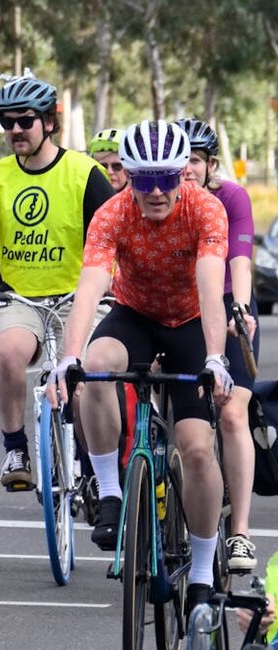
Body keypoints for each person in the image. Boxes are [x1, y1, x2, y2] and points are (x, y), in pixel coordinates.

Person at [46, 118, 233, 611]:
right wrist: (68, 359)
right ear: (127, 174)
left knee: (196, 449)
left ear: (183, 176)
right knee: (96, 364)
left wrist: (215, 356)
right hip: (135, 316)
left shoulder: (205, 210)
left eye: (167, 178)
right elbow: (89, 289)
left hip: (191, 324)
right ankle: (110, 492)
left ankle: (199, 569)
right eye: (143, 178)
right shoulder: (111, 214)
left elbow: (212, 287)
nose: (155, 191)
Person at [0, 71, 114, 491]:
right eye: (6, 122)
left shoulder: (83, 172)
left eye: (24, 120)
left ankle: (98, 472)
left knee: (80, 388)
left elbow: (117, 233)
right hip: (21, 299)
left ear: (49, 122)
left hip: (80, 299)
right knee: (8, 352)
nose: (15, 130)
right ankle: (15, 448)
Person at [177, 118, 259, 573]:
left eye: (194, 160)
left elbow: (240, 259)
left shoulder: (232, 198)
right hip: (181, 310)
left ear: (210, 164)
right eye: (180, 159)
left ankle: (241, 533)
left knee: (231, 414)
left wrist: (241, 308)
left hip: (228, 306)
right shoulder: (161, 196)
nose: (185, 169)